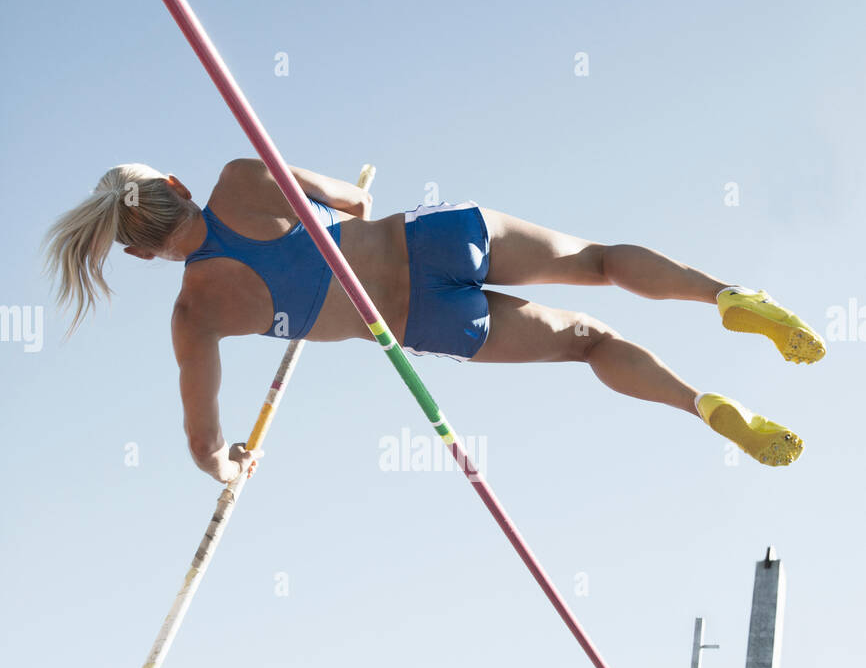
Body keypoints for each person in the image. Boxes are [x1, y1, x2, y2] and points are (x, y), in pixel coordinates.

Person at [43, 160, 825, 482]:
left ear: (140, 257)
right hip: (434, 237)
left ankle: (705, 406)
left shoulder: (194, 314)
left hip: (421, 320)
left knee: (592, 344)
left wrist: (230, 466)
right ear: (179, 184)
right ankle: (727, 296)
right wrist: (335, 202)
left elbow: (202, 445)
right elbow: (354, 205)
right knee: (599, 260)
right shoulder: (243, 179)